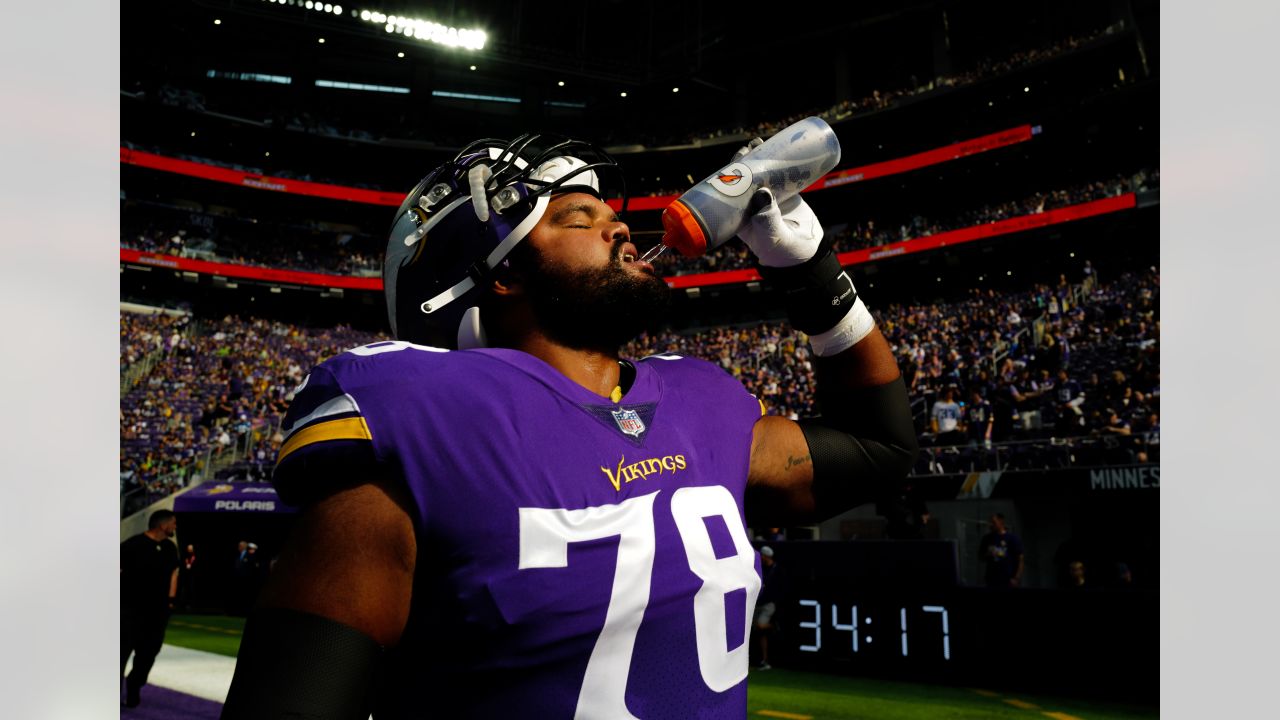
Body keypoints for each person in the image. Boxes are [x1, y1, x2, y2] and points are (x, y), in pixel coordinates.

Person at [221, 134, 917, 719]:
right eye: (578, 218)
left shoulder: (701, 399)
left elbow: (880, 447)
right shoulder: (430, 423)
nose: (619, 227)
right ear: (501, 275)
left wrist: (815, 274)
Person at [121, 509, 180, 708]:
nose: (174, 527)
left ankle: (135, 683)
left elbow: (174, 573)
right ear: (162, 525)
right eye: (172, 523)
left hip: (158, 611)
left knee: (148, 654)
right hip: (130, 609)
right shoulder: (132, 545)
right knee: (121, 652)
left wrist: (170, 600)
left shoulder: (170, 548)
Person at [752, 546, 783, 670]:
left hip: (768, 604)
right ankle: (764, 661)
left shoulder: (777, 570)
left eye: (762, 556)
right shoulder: (761, 569)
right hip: (758, 603)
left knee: (760, 626)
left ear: (766, 556)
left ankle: (775, 625)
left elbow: (780, 589)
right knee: (758, 632)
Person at [978, 513, 1024, 589]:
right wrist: (988, 554)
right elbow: (980, 556)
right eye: (990, 522)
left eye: (993, 522)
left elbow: (1020, 560)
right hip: (991, 580)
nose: (991, 525)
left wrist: (1016, 578)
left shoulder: (1012, 538)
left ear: (1001, 521)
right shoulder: (986, 538)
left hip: (1008, 580)